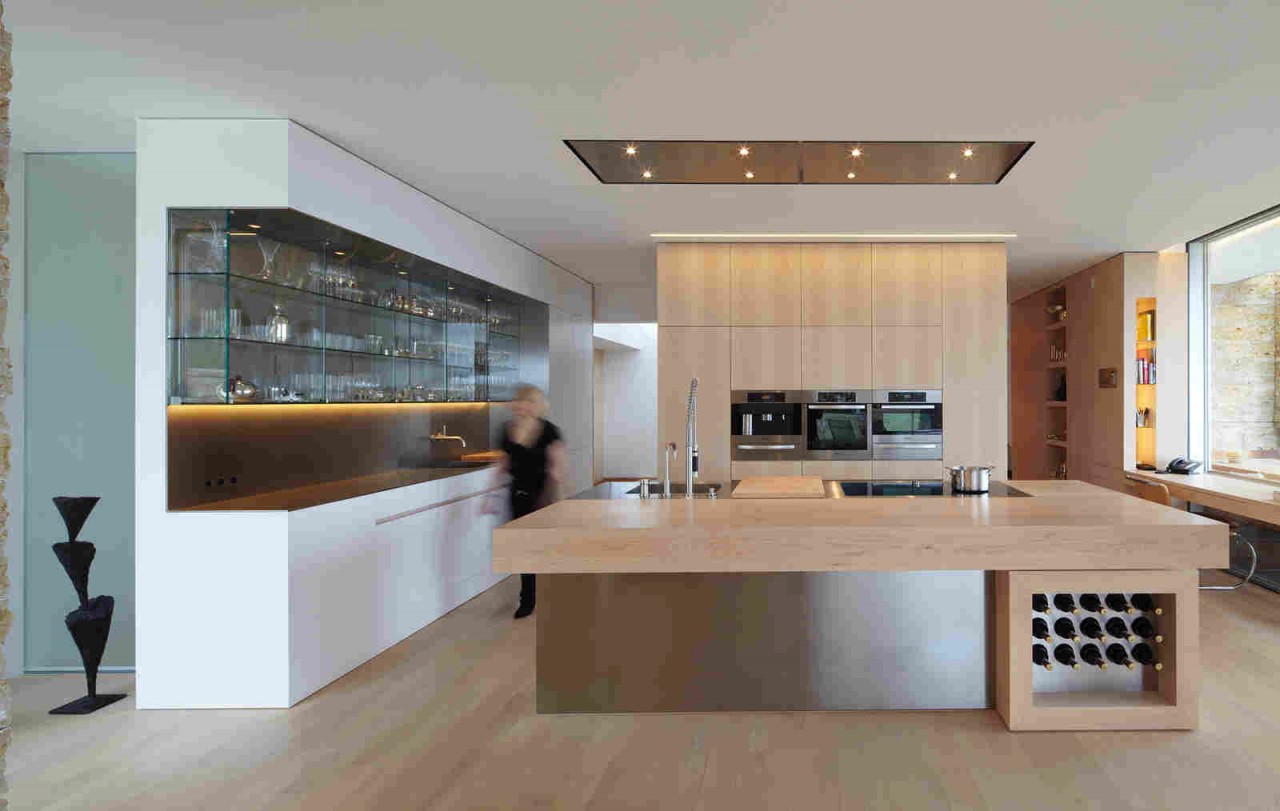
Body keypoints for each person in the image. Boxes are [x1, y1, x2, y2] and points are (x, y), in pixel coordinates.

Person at [499, 384, 566, 619]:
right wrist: (488, 496)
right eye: (519, 401)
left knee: (541, 547)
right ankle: (527, 599)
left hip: (542, 496)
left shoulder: (549, 431)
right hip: (517, 495)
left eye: (527, 401)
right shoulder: (507, 430)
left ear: (536, 405)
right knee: (523, 548)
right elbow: (503, 464)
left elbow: (558, 467)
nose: (521, 405)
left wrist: (558, 498)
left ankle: (551, 591)